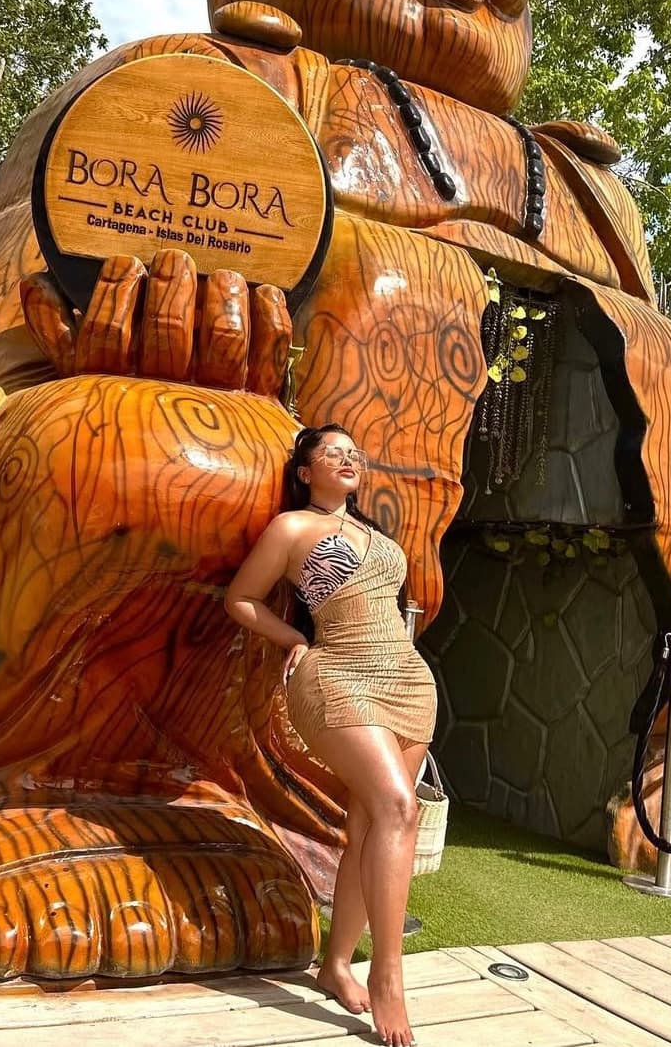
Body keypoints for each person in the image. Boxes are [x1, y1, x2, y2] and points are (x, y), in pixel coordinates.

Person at [225, 422, 437, 1047]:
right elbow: (241, 599)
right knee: (399, 807)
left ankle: (336, 964)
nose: (349, 460)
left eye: (354, 453)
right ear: (304, 471)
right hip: (336, 671)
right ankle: (387, 980)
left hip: (405, 678)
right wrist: (295, 641)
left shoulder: (374, 535)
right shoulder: (292, 529)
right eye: (333, 453)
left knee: (369, 824)